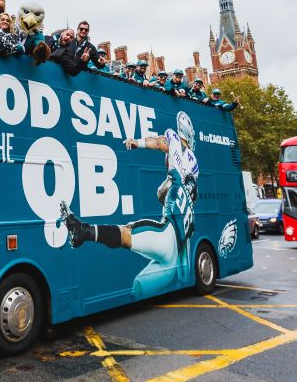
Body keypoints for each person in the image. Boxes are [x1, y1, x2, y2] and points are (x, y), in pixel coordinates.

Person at [59, 111, 200, 299]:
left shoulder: (174, 146)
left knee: (127, 234)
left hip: (167, 236)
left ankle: (83, 231)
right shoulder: (191, 172)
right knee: (139, 288)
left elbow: (159, 143)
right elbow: (182, 189)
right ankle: (83, 232)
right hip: (178, 259)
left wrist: (138, 142)